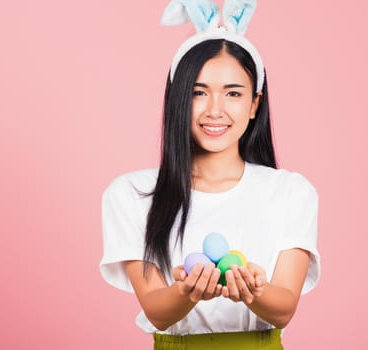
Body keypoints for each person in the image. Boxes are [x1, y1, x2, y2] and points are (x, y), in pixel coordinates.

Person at [99, 1, 320, 349]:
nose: (215, 110)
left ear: (254, 104)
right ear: (176, 100)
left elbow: (283, 309)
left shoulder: (291, 192)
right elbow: (157, 310)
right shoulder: (130, 193)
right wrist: (187, 292)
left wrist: (255, 291)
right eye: (197, 93)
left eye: (233, 93)